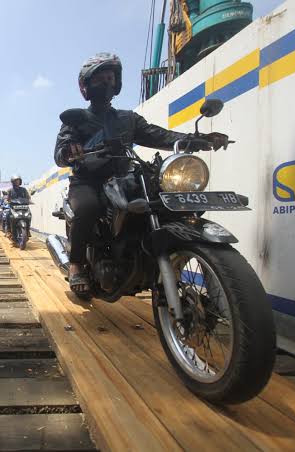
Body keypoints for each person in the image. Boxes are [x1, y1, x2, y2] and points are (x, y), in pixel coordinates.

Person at [54, 52, 229, 294]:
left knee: (162, 200)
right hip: (88, 181)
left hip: (123, 180)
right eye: (100, 79)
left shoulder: (128, 118)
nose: (106, 83)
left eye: (110, 78)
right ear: (86, 85)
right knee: (88, 208)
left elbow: (161, 136)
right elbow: (60, 153)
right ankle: (76, 265)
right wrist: (70, 151)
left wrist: (198, 140)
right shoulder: (76, 119)